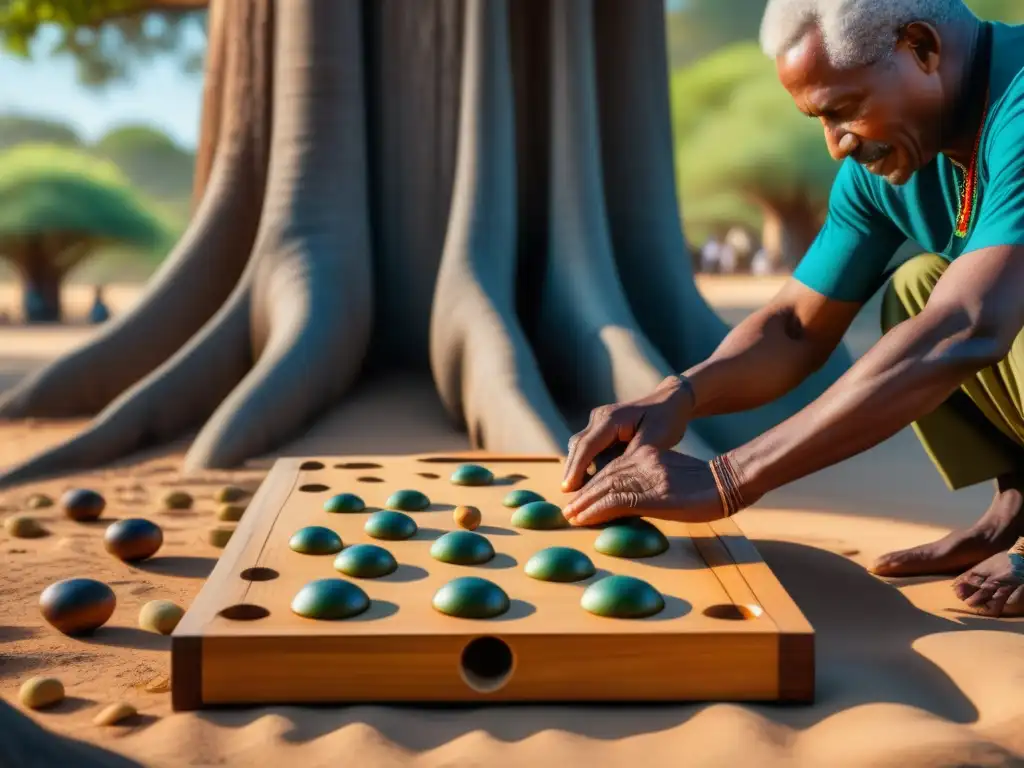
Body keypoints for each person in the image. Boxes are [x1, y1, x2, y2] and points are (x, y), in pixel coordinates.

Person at [559, 0, 1024, 617]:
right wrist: (680, 394)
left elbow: (970, 328)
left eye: (841, 110)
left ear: (921, 48)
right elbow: (796, 327)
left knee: (960, 310)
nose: (834, 145)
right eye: (818, 120)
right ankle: (1014, 509)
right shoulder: (888, 165)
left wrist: (730, 477)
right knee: (918, 286)